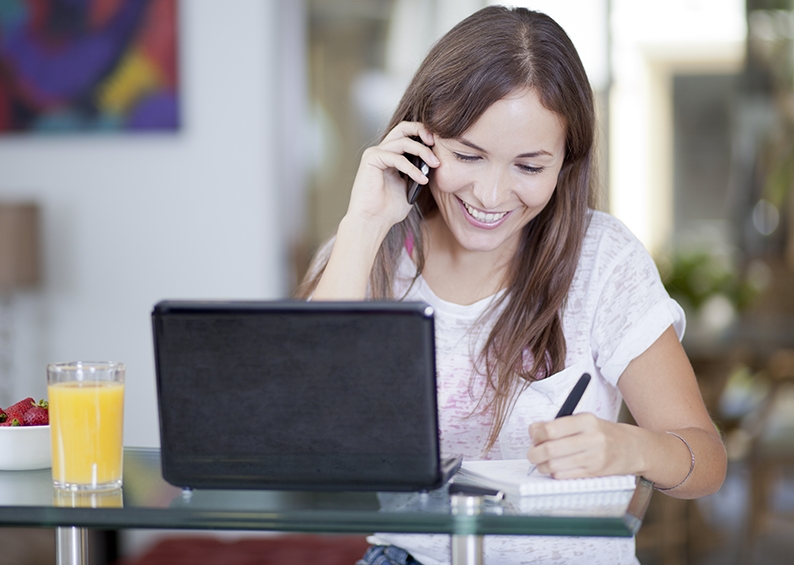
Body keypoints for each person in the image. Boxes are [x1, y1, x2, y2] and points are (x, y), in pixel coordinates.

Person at [297, 5, 727, 565]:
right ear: (421, 139)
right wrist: (362, 225)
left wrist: (631, 447)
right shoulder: (365, 253)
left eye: (529, 167)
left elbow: (707, 461)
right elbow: (302, 433)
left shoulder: (602, 260)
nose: (492, 196)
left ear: (565, 163)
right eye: (468, 156)